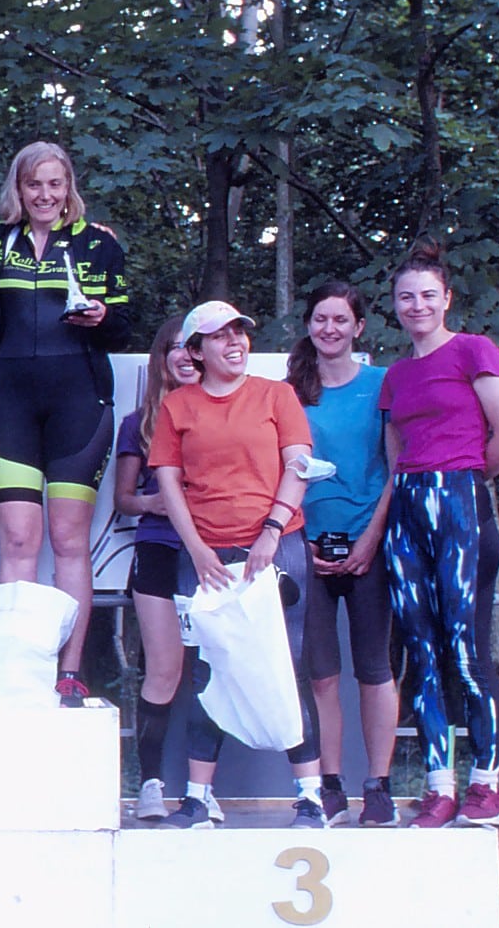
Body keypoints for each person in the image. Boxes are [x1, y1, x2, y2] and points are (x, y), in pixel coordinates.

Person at [148, 301, 325, 828]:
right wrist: (198, 550)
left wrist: (271, 530)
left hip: (276, 547)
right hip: (205, 558)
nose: (235, 343)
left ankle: (311, 796)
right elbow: (169, 485)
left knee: (285, 663)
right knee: (207, 670)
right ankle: (199, 799)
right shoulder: (178, 406)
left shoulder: (277, 394)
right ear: (196, 351)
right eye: (220, 336)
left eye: (240, 333)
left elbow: (300, 466)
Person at [0, 142, 131, 706]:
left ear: (69, 187)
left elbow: (126, 324)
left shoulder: (97, 243)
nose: (45, 195)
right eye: (34, 185)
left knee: (68, 540)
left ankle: (69, 669)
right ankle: (13, 664)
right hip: (8, 404)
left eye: (55, 184)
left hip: (78, 405)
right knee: (17, 539)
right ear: (18, 188)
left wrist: (104, 316)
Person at [380, 240, 499, 828]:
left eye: (427, 295)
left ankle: (485, 785)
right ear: (395, 305)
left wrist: (461, 482)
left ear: (447, 299)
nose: (417, 305)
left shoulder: (473, 350)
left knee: (465, 647)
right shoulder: (396, 375)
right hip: (407, 508)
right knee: (420, 648)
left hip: (461, 498)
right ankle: (439, 785)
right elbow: (394, 454)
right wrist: (417, 491)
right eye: (406, 297)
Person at [287, 281, 399, 827]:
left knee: (375, 669)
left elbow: (397, 467)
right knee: (321, 675)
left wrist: (370, 540)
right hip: (306, 545)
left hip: (368, 545)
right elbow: (277, 473)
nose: (329, 329)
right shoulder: (288, 392)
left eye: (341, 320)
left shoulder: (383, 385)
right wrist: (298, 535)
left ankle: (377, 786)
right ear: (308, 325)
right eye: (320, 319)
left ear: (359, 327)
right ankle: (328, 785)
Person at [112, 315, 200, 821]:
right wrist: (155, 503)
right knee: (164, 669)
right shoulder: (137, 423)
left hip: (213, 555)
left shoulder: (226, 413)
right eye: (176, 348)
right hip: (159, 550)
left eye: (195, 348)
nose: (186, 357)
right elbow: (124, 499)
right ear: (161, 357)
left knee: (212, 671)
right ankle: (149, 783)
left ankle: (200, 792)